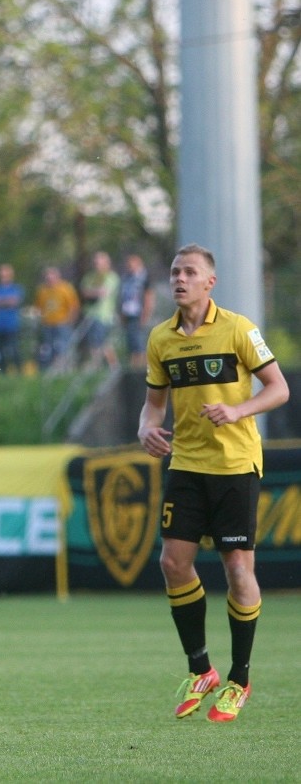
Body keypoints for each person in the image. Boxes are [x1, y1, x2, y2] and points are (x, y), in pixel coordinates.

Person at [137, 243, 289, 723]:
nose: (179, 279)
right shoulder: (161, 338)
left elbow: (279, 388)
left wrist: (238, 410)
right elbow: (154, 405)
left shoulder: (239, 328)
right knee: (172, 562)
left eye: (190, 272)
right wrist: (145, 427)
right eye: (175, 272)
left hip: (235, 466)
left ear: (210, 282)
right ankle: (201, 669)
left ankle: (239, 680)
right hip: (186, 464)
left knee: (238, 570)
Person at [33, 265, 80, 372]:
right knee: (49, 348)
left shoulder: (66, 288)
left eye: (52, 276)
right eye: (47, 276)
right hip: (47, 323)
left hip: (62, 322)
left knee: (62, 346)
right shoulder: (42, 290)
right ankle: (52, 369)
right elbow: (38, 307)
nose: (49, 278)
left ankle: (63, 369)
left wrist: (70, 320)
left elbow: (73, 306)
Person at [79, 250, 120, 370]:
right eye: (95, 261)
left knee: (102, 342)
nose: (96, 263)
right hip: (90, 314)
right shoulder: (89, 277)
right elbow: (84, 292)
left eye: (99, 261)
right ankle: (102, 365)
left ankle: (110, 365)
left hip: (104, 315)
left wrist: (92, 292)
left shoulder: (111, 276)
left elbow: (104, 293)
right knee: (95, 341)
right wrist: (94, 292)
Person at [118, 253, 155, 369]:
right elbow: (122, 297)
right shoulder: (126, 279)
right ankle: (133, 363)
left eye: (132, 265)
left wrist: (146, 313)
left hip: (138, 312)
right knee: (130, 338)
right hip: (128, 312)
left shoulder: (144, 278)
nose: (129, 267)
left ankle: (141, 363)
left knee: (137, 338)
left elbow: (149, 296)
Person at [0, 263, 24, 374]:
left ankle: (19, 372)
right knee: (1, 352)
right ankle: (3, 374)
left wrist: (0, 302)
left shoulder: (16, 288)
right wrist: (5, 302)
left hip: (12, 324)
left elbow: (14, 302)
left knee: (14, 350)